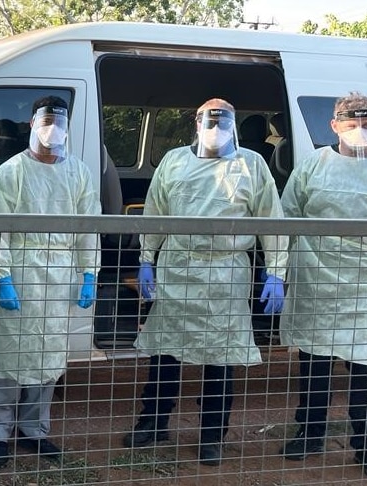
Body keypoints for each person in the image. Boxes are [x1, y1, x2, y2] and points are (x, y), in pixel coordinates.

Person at [123, 98, 288, 466]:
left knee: (221, 357)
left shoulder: (251, 164)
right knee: (165, 353)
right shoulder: (174, 161)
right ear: (196, 124)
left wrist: (276, 271)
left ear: (233, 125)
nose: (215, 130)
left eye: (222, 122)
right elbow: (156, 212)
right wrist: (146, 259)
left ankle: (212, 434)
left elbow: (272, 221)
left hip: (226, 272)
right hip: (178, 267)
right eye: (208, 122)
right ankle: (153, 421)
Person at [279, 92, 367, 484]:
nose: (360, 127)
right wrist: (278, 269)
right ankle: (310, 435)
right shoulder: (314, 166)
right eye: (352, 120)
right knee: (315, 370)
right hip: (318, 284)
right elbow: (287, 218)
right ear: (334, 125)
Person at [0, 95, 101, 467]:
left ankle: (35, 430)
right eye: (46, 122)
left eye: (59, 123)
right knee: (8, 358)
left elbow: (89, 226)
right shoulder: (12, 171)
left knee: (49, 357)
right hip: (22, 270)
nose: (52, 130)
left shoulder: (78, 173)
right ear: (32, 123)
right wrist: (4, 276)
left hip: (61, 272)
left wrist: (89, 273)